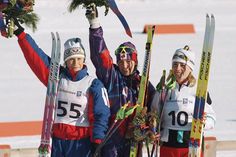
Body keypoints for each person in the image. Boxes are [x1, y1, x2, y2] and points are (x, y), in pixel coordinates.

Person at [13, 20, 110, 157]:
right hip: (58, 142)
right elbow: (37, 59)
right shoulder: (56, 78)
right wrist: (21, 35)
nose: (75, 62)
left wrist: (97, 140)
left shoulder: (93, 84)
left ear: (84, 60)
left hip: (81, 144)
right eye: (71, 59)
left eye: (78, 58)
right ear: (65, 61)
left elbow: (101, 114)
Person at [85, 4, 156, 157]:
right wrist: (94, 25)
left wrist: (150, 125)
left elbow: (154, 108)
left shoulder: (143, 84)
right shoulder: (112, 77)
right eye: (121, 62)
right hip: (112, 138)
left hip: (133, 141)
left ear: (135, 62)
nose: (125, 65)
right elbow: (100, 56)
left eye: (129, 61)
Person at [151, 45, 216, 157]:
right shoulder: (164, 89)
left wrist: (204, 123)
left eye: (182, 65)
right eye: (175, 64)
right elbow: (153, 113)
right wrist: (152, 129)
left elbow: (212, 118)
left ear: (190, 68)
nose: (178, 68)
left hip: (191, 147)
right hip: (168, 146)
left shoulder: (199, 90)